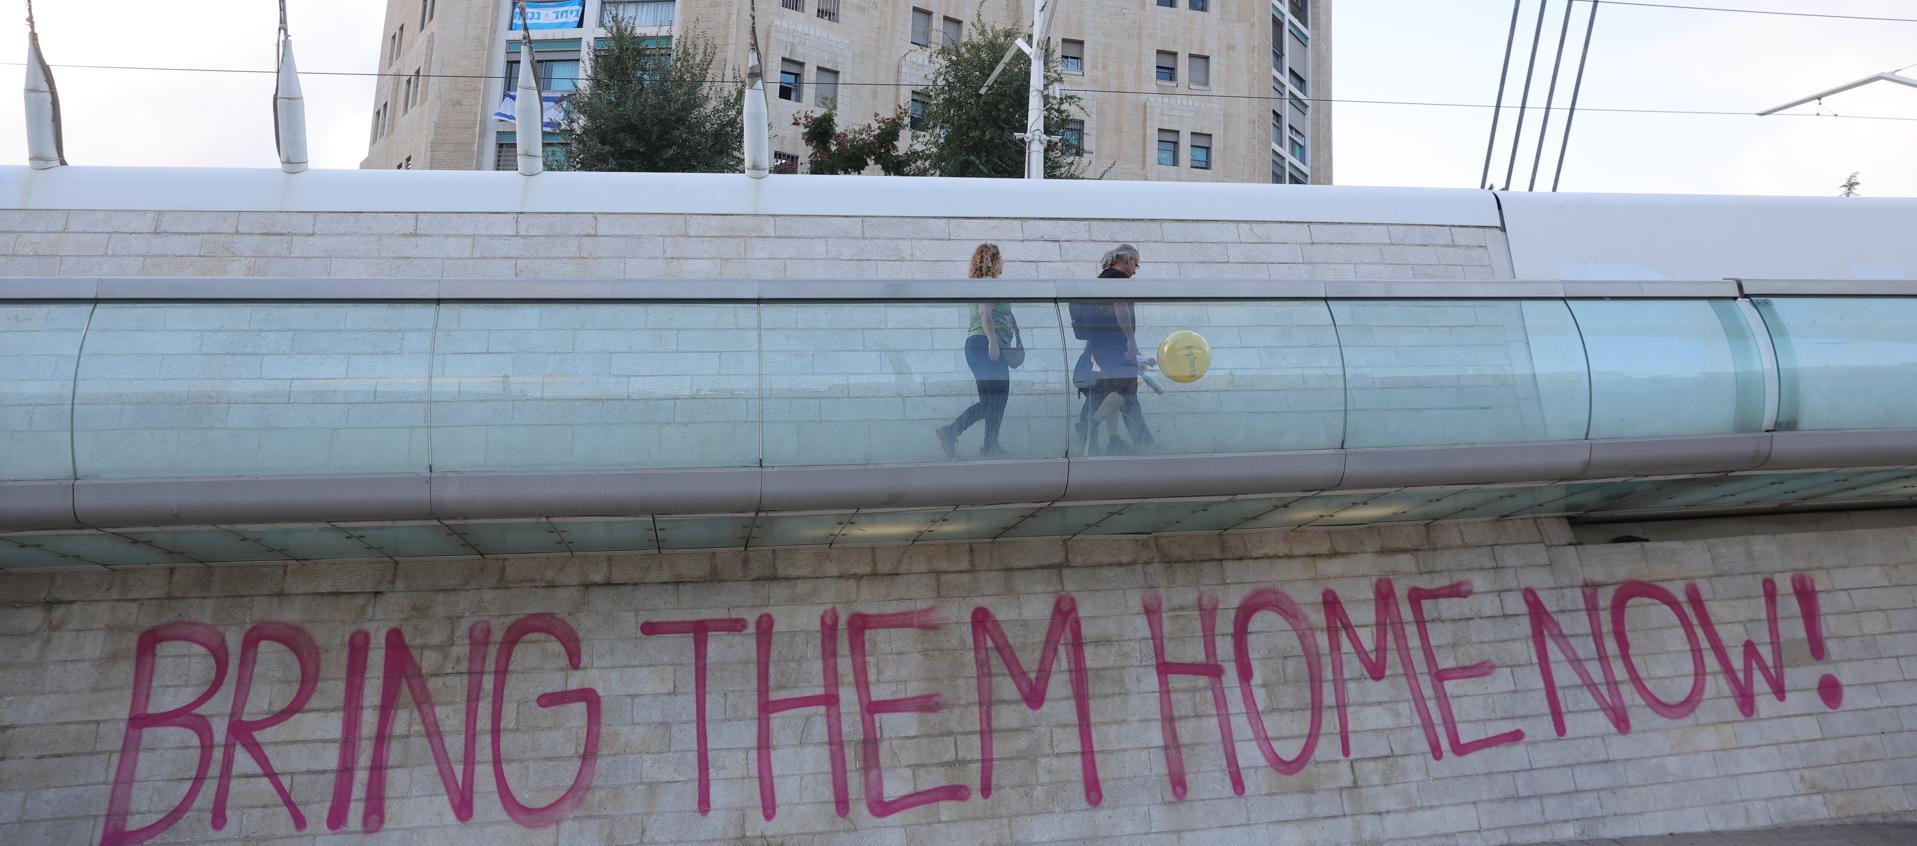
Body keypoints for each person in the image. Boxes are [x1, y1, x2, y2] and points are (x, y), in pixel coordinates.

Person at [935, 244, 1017, 459]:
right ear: (994, 260)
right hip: (986, 345)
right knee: (997, 398)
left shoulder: (977, 285)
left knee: (991, 401)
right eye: (1001, 260)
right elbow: (984, 311)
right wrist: (993, 341)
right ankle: (952, 431)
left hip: (976, 345)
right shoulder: (989, 284)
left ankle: (989, 445)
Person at [1072, 244, 1154, 455]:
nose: (1136, 270)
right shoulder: (1118, 280)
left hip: (1100, 346)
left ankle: (1115, 440)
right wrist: (1131, 341)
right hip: (1116, 344)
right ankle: (1089, 426)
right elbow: (1119, 306)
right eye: (1137, 264)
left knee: (1110, 391)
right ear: (1128, 260)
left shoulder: (1101, 280)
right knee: (1126, 390)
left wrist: (1089, 350)